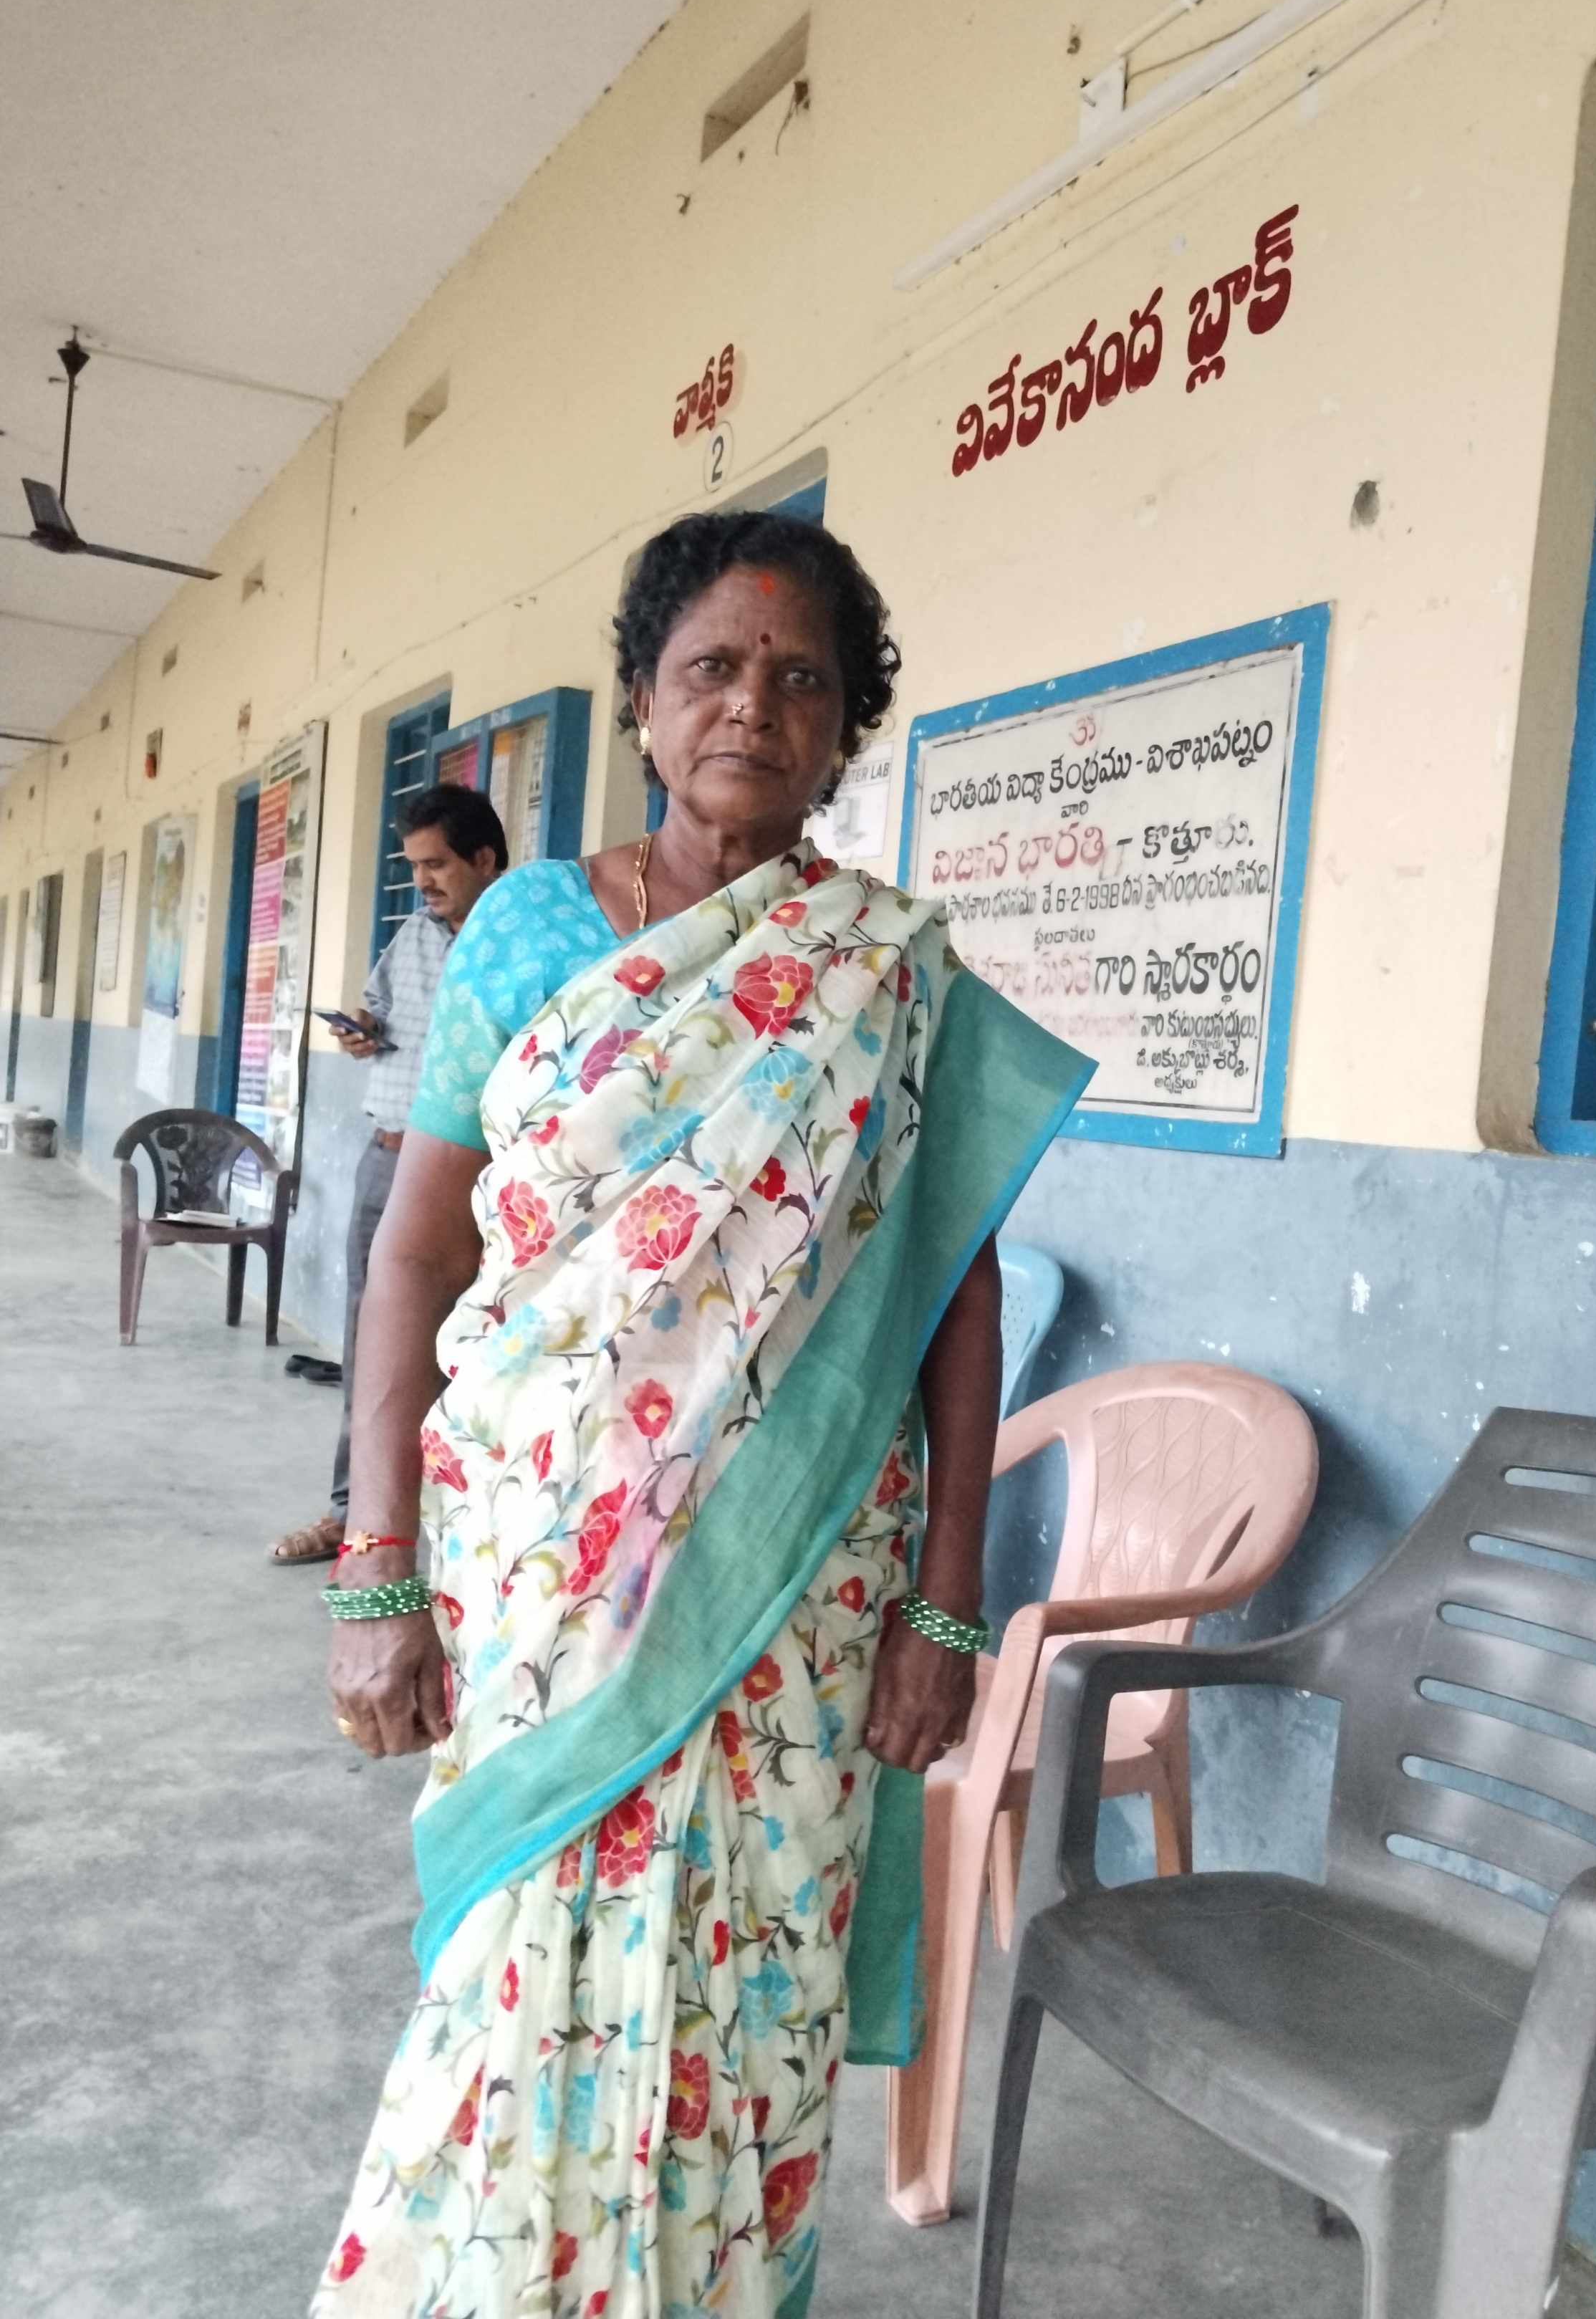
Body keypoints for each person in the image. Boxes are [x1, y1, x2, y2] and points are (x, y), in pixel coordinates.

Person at [312, 512, 1093, 2319]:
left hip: (800, 1591)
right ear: (644, 705)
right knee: (518, 1970)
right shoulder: (524, 930)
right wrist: (376, 1564)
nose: (753, 704)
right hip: (539, 1565)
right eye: (712, 669)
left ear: (847, 726)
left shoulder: (886, 972)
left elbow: (955, 1294)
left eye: (800, 678)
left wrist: (947, 1606)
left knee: (750, 1992)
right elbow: (415, 1252)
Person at [271, 784, 507, 1565]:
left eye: (436, 865)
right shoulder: (411, 934)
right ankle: (355, 1515)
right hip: (389, 1158)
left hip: (487, 1175)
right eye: (414, 866)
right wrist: (362, 1031)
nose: (422, 881)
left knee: (484, 1344)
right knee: (371, 1340)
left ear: (484, 858)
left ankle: (469, 1529)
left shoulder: (526, 936)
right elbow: (378, 1009)